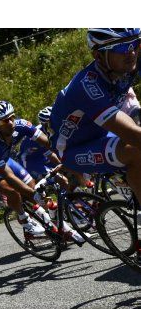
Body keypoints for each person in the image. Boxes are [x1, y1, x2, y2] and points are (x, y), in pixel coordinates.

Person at [50, 29, 141, 206]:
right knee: (134, 149)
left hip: (102, 132)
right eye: (122, 47)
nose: (131, 53)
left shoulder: (129, 60)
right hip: (73, 149)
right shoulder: (86, 85)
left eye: (135, 44)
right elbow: (131, 134)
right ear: (99, 56)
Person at [0, 101, 55, 238]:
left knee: (31, 184)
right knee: (13, 192)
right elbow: (9, 176)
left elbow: (47, 142)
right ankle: (24, 219)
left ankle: (37, 214)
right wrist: (33, 194)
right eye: (4, 121)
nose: (10, 122)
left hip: (3, 160)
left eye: (12, 117)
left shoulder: (21, 125)